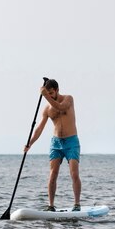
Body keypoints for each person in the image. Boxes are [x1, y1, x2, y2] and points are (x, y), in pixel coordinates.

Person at [24, 79, 81, 212]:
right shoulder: (47, 109)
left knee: (74, 173)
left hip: (71, 142)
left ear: (57, 90)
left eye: (51, 93)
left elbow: (60, 107)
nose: (48, 96)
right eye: (47, 94)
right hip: (56, 143)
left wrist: (45, 95)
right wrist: (30, 144)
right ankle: (51, 206)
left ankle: (77, 204)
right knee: (53, 174)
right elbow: (39, 128)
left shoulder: (68, 99)